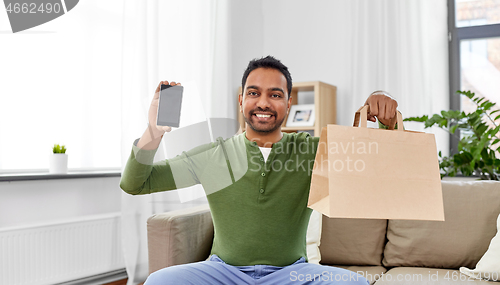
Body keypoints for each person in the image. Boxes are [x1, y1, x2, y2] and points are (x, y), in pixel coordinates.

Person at [120, 56, 398, 285]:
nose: (263, 103)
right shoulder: (213, 155)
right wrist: (153, 132)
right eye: (254, 93)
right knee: (159, 281)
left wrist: (382, 105)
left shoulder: (313, 150)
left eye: (275, 95)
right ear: (241, 100)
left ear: (289, 104)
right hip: (223, 273)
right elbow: (136, 183)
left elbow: (376, 168)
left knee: (355, 284)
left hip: (293, 274)